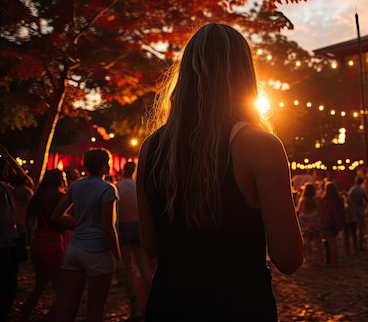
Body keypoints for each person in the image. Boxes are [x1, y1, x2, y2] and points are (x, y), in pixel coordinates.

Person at [136, 23, 303, 321]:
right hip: (239, 306)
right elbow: (288, 259)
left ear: (184, 75)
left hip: (169, 305)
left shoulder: (151, 147)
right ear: (244, 74)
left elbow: (150, 245)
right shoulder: (259, 145)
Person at [52, 148, 121, 322]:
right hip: (98, 253)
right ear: (105, 166)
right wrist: (119, 259)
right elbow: (108, 227)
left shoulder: (76, 185)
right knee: (95, 311)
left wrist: (81, 224)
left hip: (74, 250)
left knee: (68, 309)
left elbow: (57, 215)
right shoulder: (107, 189)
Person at [19, 169, 69, 322]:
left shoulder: (38, 197)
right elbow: (65, 220)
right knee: (62, 290)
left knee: (40, 284)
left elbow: (29, 219)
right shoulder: (60, 198)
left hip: (38, 241)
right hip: (52, 243)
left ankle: (24, 315)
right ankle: (51, 318)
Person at [116, 161, 153, 321]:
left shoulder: (119, 187)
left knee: (127, 269)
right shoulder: (137, 185)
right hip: (137, 225)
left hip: (123, 227)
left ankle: (134, 306)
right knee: (144, 267)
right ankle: (150, 302)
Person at [0, 156, 20, 321]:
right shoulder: (2, 189)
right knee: (8, 285)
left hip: (6, 241)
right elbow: (26, 181)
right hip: (4, 242)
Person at [319, 180, 345, 267]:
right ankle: (333, 260)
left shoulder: (325, 200)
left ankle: (332, 261)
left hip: (326, 223)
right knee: (333, 243)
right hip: (333, 223)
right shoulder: (337, 200)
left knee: (329, 243)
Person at [296, 182, 323, 264]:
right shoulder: (316, 199)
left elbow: (299, 210)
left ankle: (308, 256)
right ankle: (320, 257)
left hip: (305, 221)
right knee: (317, 239)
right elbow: (320, 209)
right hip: (315, 220)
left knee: (307, 240)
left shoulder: (303, 200)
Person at [348, 176, 368, 252]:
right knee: (360, 229)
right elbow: (367, 199)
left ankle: (354, 246)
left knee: (354, 230)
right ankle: (360, 245)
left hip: (353, 210)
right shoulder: (361, 190)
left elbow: (348, 199)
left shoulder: (352, 189)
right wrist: (365, 207)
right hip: (360, 210)